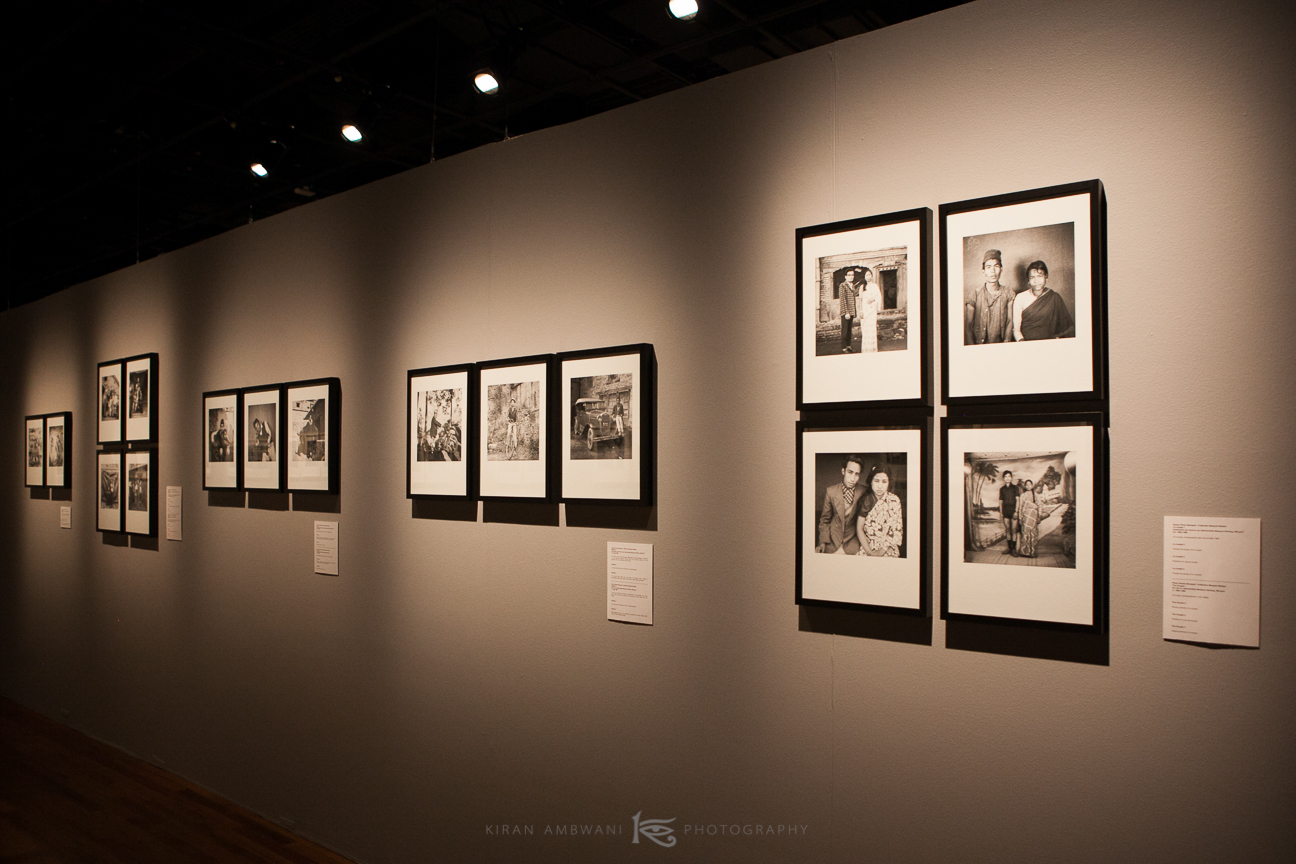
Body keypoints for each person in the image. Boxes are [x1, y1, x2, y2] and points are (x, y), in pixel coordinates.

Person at [1013, 260, 1075, 341]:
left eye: (1039, 276)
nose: (1036, 281)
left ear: (1046, 276)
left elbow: (1065, 328)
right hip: (1026, 342)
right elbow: (1016, 329)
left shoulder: (1054, 297)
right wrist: (1023, 343)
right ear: (1028, 280)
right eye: (1032, 277)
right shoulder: (1020, 298)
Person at [965, 249, 1014, 344]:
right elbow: (968, 327)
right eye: (988, 267)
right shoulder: (974, 295)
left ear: (1001, 269)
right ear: (983, 271)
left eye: (996, 266)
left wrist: (1006, 343)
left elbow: (1010, 321)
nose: (992, 271)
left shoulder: (1008, 293)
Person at [817, 455, 863, 554]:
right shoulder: (831, 492)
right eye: (850, 472)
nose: (852, 478)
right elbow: (825, 520)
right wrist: (822, 542)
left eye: (857, 474)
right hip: (832, 540)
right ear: (843, 471)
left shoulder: (863, 491)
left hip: (852, 541)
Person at [855, 465, 903, 557]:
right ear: (871, 481)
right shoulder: (866, 500)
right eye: (876, 481)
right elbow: (859, 528)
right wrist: (869, 552)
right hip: (868, 546)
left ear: (889, 483)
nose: (880, 486)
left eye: (884, 482)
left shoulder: (894, 500)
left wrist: (882, 551)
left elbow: (896, 529)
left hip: (888, 547)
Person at [1015, 479, 1043, 558]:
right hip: (1026, 515)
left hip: (1033, 516)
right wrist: (1020, 518)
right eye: (1026, 484)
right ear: (1025, 486)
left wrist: (1039, 516)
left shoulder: (1036, 495)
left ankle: (1032, 552)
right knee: (1025, 532)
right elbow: (1020, 507)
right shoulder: (1023, 495)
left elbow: (1040, 505)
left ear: (1032, 485)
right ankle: (1025, 552)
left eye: (1029, 484)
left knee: (1033, 532)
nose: (1028, 486)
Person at [857, 267, 881, 353]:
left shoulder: (875, 286)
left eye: (869, 275)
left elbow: (878, 297)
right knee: (865, 329)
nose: (868, 276)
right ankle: (866, 348)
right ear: (864, 277)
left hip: (872, 310)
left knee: (872, 329)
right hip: (865, 310)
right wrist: (861, 311)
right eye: (866, 275)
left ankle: (872, 348)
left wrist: (873, 299)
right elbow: (860, 300)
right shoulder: (862, 287)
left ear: (872, 276)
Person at [998, 470, 1021, 555]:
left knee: (1014, 530)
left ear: (1011, 478)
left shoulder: (1015, 488)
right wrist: (1001, 512)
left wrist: (1016, 511)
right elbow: (1001, 501)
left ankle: (1014, 549)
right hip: (1005, 511)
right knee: (1008, 530)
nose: (1007, 478)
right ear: (1003, 478)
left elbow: (1018, 500)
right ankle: (1009, 548)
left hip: (1013, 510)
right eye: (1006, 476)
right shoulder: (1002, 489)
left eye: (1009, 476)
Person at [839, 269, 860, 353]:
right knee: (845, 330)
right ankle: (844, 348)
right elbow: (843, 300)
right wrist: (846, 312)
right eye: (849, 275)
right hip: (846, 312)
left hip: (851, 312)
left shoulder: (852, 285)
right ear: (845, 276)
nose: (851, 276)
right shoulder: (842, 285)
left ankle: (848, 346)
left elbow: (854, 294)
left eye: (852, 275)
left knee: (849, 330)